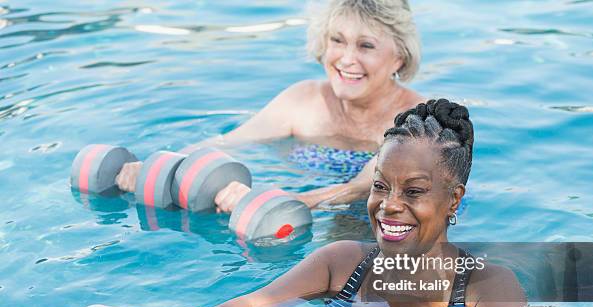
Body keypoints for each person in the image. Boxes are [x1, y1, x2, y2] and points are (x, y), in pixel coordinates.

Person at [125, 100, 527, 307]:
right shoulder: (341, 263)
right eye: (380, 186)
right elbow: (248, 306)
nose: (389, 205)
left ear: (454, 199)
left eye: (414, 191)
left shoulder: (486, 283)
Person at [115, 0, 425, 211]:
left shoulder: (416, 120)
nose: (346, 59)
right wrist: (157, 166)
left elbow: (362, 187)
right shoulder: (303, 99)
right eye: (337, 41)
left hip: (378, 216)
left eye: (366, 45)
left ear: (399, 55)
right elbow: (230, 141)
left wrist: (280, 201)